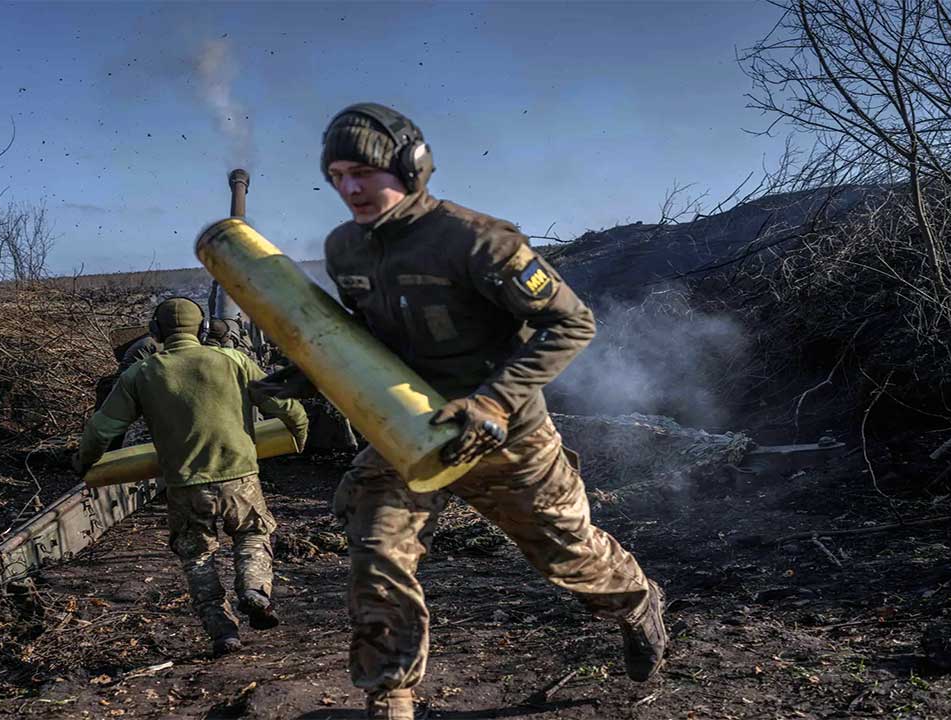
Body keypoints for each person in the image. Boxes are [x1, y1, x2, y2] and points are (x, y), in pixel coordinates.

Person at [255, 103, 667, 719]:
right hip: (407, 432)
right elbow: (369, 338)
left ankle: (636, 603)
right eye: (337, 176)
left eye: (363, 172)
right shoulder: (345, 250)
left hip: (505, 436)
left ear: (411, 166)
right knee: (378, 551)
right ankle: (390, 696)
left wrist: (494, 399)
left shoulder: (477, 239)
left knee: (568, 555)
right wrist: (309, 372)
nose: (350, 189)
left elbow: (571, 323)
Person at [74, 297, 309, 656]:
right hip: (239, 477)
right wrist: (299, 435)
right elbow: (286, 404)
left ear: (156, 331)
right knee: (252, 534)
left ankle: (222, 631)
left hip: (184, 485)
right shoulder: (234, 360)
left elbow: (101, 430)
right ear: (202, 329)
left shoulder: (141, 373)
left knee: (197, 556)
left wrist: (85, 463)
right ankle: (254, 590)